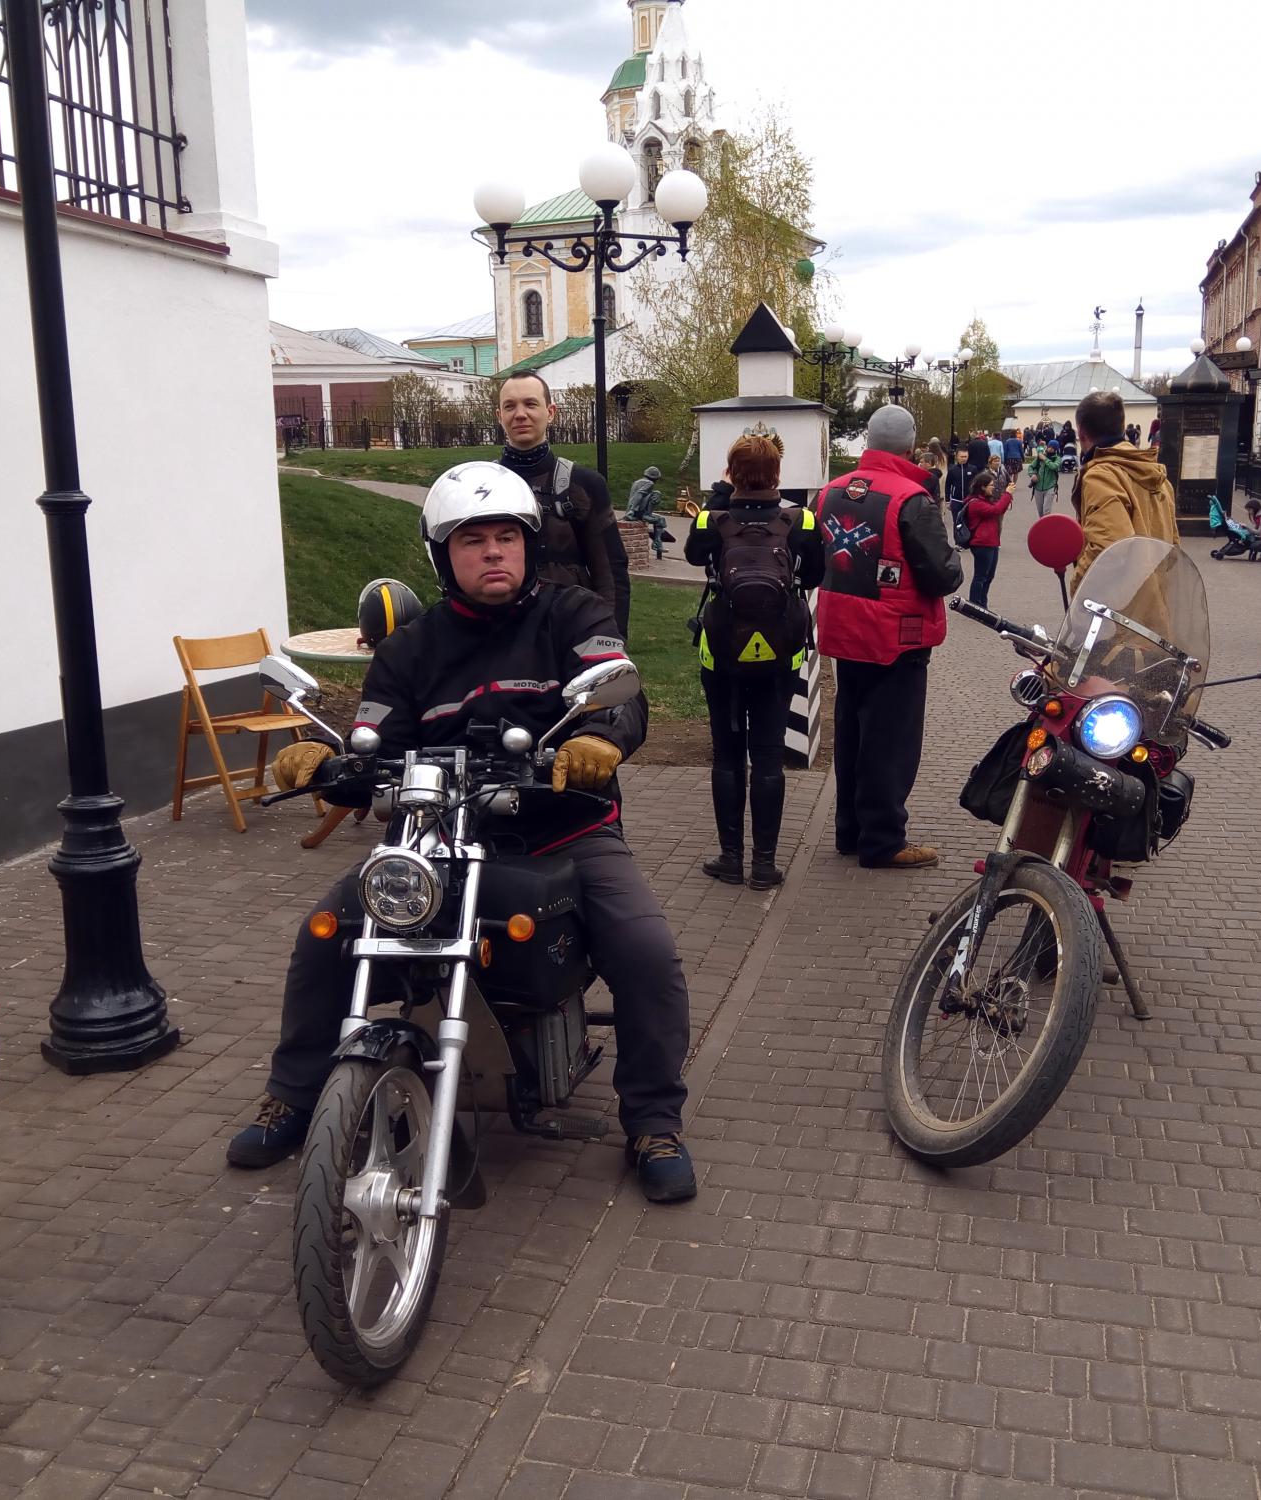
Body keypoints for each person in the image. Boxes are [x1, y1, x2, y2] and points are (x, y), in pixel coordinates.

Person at [226, 462, 697, 1203]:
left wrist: (601, 736)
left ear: (528, 544)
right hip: (436, 838)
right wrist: (325, 759)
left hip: (565, 831)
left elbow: (617, 687)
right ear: (443, 556)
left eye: (506, 536)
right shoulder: (410, 647)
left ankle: (653, 1121)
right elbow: (374, 740)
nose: (493, 552)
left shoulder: (573, 614)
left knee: (646, 954)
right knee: (324, 934)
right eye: (472, 540)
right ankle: (293, 1095)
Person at [815, 405, 961, 869]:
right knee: (890, 741)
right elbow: (942, 575)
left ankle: (850, 831)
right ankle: (882, 841)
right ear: (911, 444)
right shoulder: (912, 498)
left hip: (844, 628)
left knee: (852, 733)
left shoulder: (831, 491)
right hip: (896, 636)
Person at [685, 434, 825, 890]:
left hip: (721, 655)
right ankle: (764, 865)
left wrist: (721, 496)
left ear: (731, 473)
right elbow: (816, 573)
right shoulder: (800, 518)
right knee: (768, 756)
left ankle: (730, 859)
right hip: (780, 655)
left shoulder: (711, 518)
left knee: (726, 754)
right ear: (777, 474)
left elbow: (693, 556)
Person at [496, 373, 632, 635]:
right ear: (499, 416)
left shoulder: (584, 484)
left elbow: (610, 571)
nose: (520, 414)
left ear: (551, 412)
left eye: (530, 404)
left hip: (569, 629)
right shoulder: (482, 484)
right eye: (510, 406)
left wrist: (611, 639)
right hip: (500, 631)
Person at [1068, 390, 1180, 591]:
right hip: (1155, 596)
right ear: (1122, 426)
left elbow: (1107, 550)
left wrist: (1077, 587)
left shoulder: (1101, 476)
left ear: (1081, 433)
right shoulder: (1155, 474)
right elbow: (1173, 545)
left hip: (1119, 603)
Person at [961, 467, 1012, 608]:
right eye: (991, 485)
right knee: (981, 576)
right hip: (982, 543)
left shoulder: (985, 500)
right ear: (982, 487)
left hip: (992, 542)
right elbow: (995, 510)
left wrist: (1007, 497)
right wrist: (1007, 494)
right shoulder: (975, 503)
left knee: (989, 576)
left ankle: (983, 603)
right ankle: (975, 603)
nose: (993, 488)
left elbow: (999, 510)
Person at [1031, 440, 1061, 516]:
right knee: (1040, 512)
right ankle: (1043, 524)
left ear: (1056, 449)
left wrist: (1045, 459)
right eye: (1049, 447)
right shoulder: (1040, 457)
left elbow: (1054, 466)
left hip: (1050, 487)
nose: (1050, 449)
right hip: (1038, 488)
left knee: (1046, 511)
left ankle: (1047, 523)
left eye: (1053, 448)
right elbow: (1031, 467)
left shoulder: (1057, 459)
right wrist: (1032, 474)